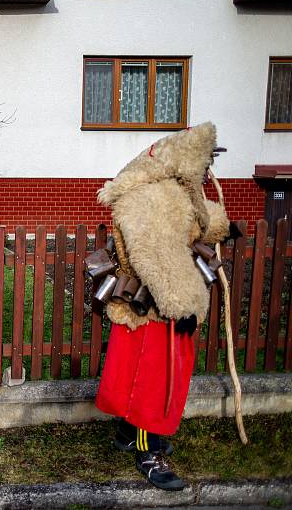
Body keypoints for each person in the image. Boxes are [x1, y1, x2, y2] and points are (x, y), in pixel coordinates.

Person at [94, 123, 231, 491]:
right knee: (153, 385)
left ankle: (127, 433)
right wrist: (182, 304)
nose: (209, 170)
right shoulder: (150, 196)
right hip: (153, 309)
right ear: (187, 160)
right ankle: (148, 452)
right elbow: (155, 252)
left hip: (159, 306)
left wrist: (220, 225)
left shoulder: (175, 190)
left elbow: (192, 221)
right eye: (206, 162)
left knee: (151, 379)